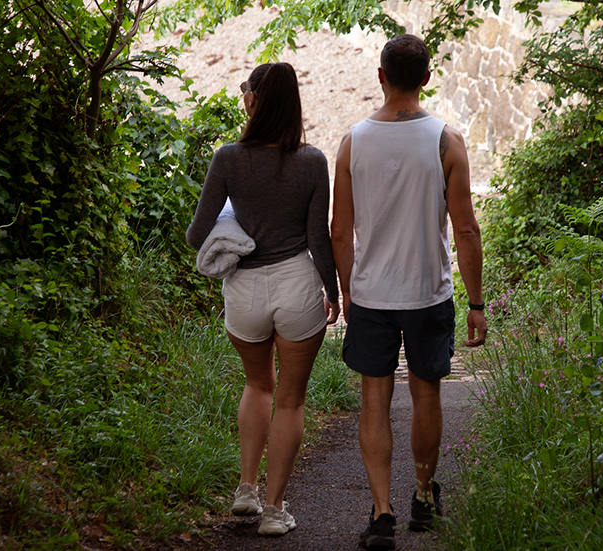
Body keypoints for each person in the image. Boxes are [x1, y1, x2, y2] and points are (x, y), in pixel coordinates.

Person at [331, 34, 488, 550]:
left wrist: (348, 292)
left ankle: (381, 513)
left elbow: (340, 230)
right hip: (428, 293)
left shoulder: (353, 142)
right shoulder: (447, 140)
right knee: (426, 394)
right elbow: (466, 230)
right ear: (426, 78)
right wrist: (476, 303)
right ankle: (422, 495)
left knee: (374, 399)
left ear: (380, 76)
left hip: (372, 295)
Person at [186, 62, 341, 537]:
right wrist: (333, 293)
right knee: (291, 401)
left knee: (258, 386)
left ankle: (246, 490)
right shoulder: (313, 161)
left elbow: (197, 235)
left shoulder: (227, 158)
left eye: (244, 90)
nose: (243, 96)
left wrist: (233, 230)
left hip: (246, 291)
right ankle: (274, 512)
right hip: (297, 284)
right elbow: (319, 238)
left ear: (253, 99)